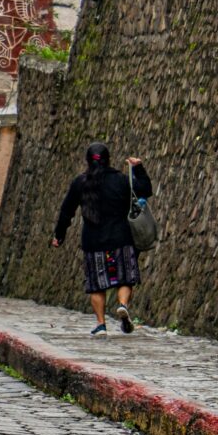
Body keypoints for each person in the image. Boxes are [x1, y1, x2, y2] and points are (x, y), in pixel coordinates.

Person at [53, 142, 154, 336]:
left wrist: (59, 235)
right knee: (125, 278)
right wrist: (138, 167)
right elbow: (145, 190)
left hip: (94, 242)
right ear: (108, 159)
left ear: (88, 161)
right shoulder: (121, 180)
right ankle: (123, 305)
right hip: (121, 239)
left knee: (97, 285)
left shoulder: (80, 183)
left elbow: (67, 211)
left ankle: (101, 325)